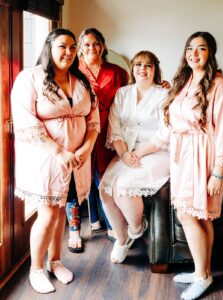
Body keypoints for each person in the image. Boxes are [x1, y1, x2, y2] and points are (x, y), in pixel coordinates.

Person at [11, 28, 100, 293]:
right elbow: (27, 123)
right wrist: (59, 152)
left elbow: (93, 120)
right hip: (46, 159)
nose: (69, 52)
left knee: (62, 209)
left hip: (77, 160)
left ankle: (56, 261)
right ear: (49, 46)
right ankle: (35, 269)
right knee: (48, 212)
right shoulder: (30, 78)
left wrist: (87, 147)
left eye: (73, 47)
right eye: (63, 46)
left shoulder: (81, 80)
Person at [163, 31, 223, 300]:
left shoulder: (222, 87)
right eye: (190, 48)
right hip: (183, 156)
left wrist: (218, 173)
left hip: (203, 158)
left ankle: (202, 276)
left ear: (211, 53)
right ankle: (202, 272)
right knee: (199, 215)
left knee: (189, 215)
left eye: (201, 48)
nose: (194, 53)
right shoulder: (185, 81)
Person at [99, 50, 170, 264]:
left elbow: (165, 133)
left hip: (156, 151)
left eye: (149, 65)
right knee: (105, 189)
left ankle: (137, 228)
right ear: (133, 69)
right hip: (126, 149)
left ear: (155, 69)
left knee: (124, 186)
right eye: (139, 64)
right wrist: (123, 153)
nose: (143, 69)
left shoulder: (164, 94)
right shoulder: (123, 93)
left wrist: (138, 153)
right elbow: (115, 127)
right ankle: (122, 239)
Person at [65, 27, 129, 251]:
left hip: (108, 132)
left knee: (106, 178)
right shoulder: (72, 72)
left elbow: (130, 100)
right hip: (80, 133)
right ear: (80, 49)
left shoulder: (118, 72)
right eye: (87, 44)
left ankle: (112, 223)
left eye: (96, 43)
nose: (92, 47)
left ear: (102, 45)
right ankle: (75, 230)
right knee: (75, 178)